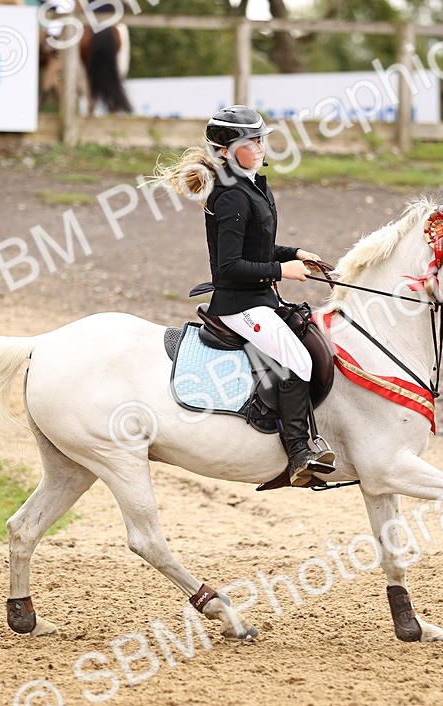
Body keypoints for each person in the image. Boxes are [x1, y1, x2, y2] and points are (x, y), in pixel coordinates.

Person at [151, 105, 335, 487]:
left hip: (259, 298)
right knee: (297, 359)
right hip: (239, 304)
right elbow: (230, 268)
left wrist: (294, 254)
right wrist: (282, 271)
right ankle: (300, 451)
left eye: (261, 138)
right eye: (252, 141)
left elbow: (259, 245)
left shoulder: (252, 185)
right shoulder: (231, 196)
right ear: (225, 151)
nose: (262, 145)